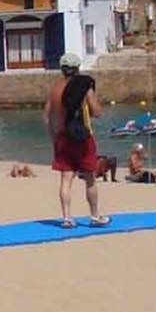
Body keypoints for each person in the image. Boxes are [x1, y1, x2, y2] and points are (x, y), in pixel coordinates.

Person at [43, 52, 110, 227]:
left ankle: (67, 218)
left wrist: (53, 138)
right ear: (77, 68)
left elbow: (47, 117)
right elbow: (97, 112)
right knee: (90, 178)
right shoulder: (83, 87)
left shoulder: (55, 90)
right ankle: (95, 216)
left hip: (62, 137)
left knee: (66, 179)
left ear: (62, 69)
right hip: (82, 137)